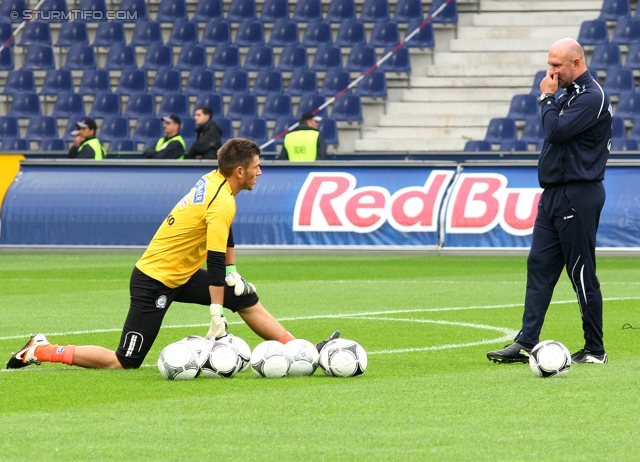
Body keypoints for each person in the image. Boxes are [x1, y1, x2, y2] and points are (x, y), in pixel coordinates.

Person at [7, 138, 339, 370]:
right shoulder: (221, 199)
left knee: (245, 296)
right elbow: (215, 259)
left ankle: (301, 350)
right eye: (256, 166)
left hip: (179, 272)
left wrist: (234, 274)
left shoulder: (216, 182)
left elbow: (224, 232)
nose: (260, 172)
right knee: (124, 361)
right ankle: (41, 349)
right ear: (239, 170)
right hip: (154, 280)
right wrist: (215, 310)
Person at [487, 38, 612, 365]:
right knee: (539, 266)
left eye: (557, 65)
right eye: (550, 64)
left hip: (579, 193)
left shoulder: (592, 96)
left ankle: (595, 349)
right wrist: (553, 98)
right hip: (554, 193)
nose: (551, 72)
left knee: (581, 272)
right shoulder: (568, 95)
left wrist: (546, 97)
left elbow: (555, 131)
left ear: (576, 63)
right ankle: (527, 340)